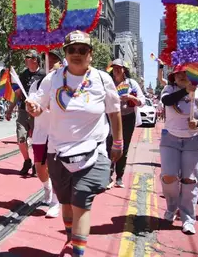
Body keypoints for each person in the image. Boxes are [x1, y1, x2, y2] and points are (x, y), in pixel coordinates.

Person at [26, 31, 123, 257]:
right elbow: (40, 106)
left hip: (93, 150)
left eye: (82, 50)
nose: (77, 54)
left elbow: (114, 111)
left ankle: (77, 252)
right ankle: (71, 238)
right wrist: (34, 109)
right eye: (72, 50)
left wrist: (117, 142)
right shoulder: (53, 79)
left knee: (81, 199)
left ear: (90, 54)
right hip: (58, 152)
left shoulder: (102, 79)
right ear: (65, 53)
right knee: (67, 203)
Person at [159, 64, 198, 235]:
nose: (182, 76)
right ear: (173, 77)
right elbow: (166, 101)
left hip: (194, 141)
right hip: (170, 139)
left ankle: (188, 219)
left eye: (186, 73)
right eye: (178, 74)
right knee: (169, 177)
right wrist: (185, 91)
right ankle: (171, 207)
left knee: (190, 180)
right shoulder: (169, 89)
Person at [27, 49, 63, 218]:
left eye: (54, 59)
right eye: (47, 59)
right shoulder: (37, 84)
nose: (51, 62)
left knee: (55, 168)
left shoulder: (64, 82)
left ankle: (56, 202)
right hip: (41, 131)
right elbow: (35, 106)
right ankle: (47, 188)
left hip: (58, 132)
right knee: (40, 168)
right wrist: (33, 107)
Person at [7, 49, 45, 176]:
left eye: (28, 57)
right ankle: (27, 161)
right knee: (21, 138)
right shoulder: (23, 75)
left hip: (38, 112)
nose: (25, 59)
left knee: (37, 139)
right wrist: (10, 108)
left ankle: (36, 163)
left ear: (35, 59)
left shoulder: (44, 75)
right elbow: (18, 94)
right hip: (23, 110)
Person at [107, 59, 144, 188]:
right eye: (114, 67)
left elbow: (142, 101)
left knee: (123, 146)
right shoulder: (108, 82)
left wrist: (131, 97)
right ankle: (108, 176)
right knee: (110, 144)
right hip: (110, 117)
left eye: (119, 68)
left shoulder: (131, 83)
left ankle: (119, 177)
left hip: (128, 117)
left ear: (124, 70)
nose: (116, 70)